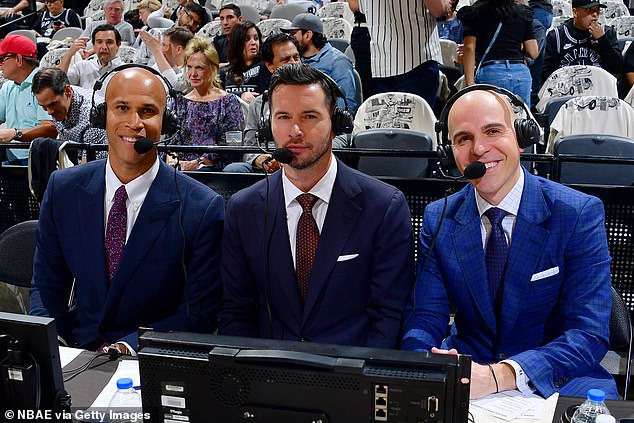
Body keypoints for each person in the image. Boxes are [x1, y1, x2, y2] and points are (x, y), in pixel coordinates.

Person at [402, 86, 618, 400]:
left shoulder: (577, 213)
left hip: (559, 376)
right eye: (463, 139)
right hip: (467, 373)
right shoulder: (440, 218)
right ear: (449, 153)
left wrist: (498, 376)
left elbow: (588, 333)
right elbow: (425, 315)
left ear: (520, 136)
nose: (478, 149)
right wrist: (425, 363)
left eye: (493, 131)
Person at [30, 66, 224, 353]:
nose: (135, 123)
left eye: (148, 111)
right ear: (102, 115)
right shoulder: (63, 189)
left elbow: (200, 313)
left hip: (149, 358)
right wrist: (51, 344)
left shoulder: (202, 207)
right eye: (122, 107)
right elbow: (46, 285)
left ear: (166, 122)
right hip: (75, 350)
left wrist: (128, 347)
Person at [219, 63, 413, 348]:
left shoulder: (384, 206)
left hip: (351, 377)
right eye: (283, 117)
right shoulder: (243, 208)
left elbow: (389, 315)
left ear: (336, 124)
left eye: (309, 116)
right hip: (269, 376)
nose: (294, 130)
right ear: (267, 126)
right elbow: (236, 312)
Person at [223, 33, 302, 173]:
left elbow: (338, 138)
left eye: (296, 58)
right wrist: (259, 159)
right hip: (268, 162)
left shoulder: (318, 97)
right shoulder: (258, 104)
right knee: (234, 170)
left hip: (304, 159)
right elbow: (248, 146)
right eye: (286, 59)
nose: (294, 63)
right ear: (270, 66)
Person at [169, 37, 244, 171]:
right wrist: (172, 158)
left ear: (213, 69)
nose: (193, 74)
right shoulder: (180, 101)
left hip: (214, 168)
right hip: (181, 168)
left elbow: (231, 145)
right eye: (189, 67)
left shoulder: (228, 101)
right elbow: (171, 140)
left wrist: (198, 162)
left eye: (199, 68)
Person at [360, 0, 449, 107]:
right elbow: (438, 9)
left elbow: (362, 9)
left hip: (382, 63)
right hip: (416, 59)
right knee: (417, 122)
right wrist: (446, 4)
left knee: (391, 122)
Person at [458, 0, 538, 106]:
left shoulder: (476, 13)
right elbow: (533, 52)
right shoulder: (522, 14)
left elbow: (469, 47)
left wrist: (470, 85)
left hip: (491, 73)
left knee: (493, 118)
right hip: (521, 73)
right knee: (521, 119)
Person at [282, 13, 358, 114]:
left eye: (293, 34)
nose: (290, 39)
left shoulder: (338, 62)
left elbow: (347, 104)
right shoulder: (295, 59)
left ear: (308, 35)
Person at [0, 34, 57, 165]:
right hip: (11, 157)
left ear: (19, 59)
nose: (0, 65)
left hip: (38, 160)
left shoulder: (45, 82)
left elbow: (51, 128)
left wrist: (15, 134)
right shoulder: (8, 87)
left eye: (2, 59)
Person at [32, 67, 107, 161]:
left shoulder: (93, 116)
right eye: (43, 106)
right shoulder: (61, 99)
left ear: (68, 91)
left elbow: (89, 168)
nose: (49, 112)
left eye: (53, 104)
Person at [543, 0, 623, 81]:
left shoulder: (607, 33)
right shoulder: (556, 36)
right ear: (575, 12)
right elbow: (547, 73)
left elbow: (617, 69)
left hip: (599, 89)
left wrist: (602, 39)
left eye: (597, 10)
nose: (595, 15)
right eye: (589, 10)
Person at [58, 24, 123, 91]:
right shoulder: (83, 66)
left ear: (118, 44)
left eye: (109, 42)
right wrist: (69, 53)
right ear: (93, 45)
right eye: (99, 42)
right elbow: (58, 83)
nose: (104, 47)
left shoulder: (126, 71)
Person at [139, 26, 194, 93]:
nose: (161, 49)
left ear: (178, 49)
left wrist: (156, 51)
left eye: (164, 45)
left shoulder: (194, 67)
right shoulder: (163, 64)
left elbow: (175, 85)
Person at [221, 21, 263, 104]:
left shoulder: (266, 67)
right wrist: (241, 95)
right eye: (247, 39)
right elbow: (217, 97)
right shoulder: (224, 72)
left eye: (256, 38)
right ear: (237, 43)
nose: (253, 43)